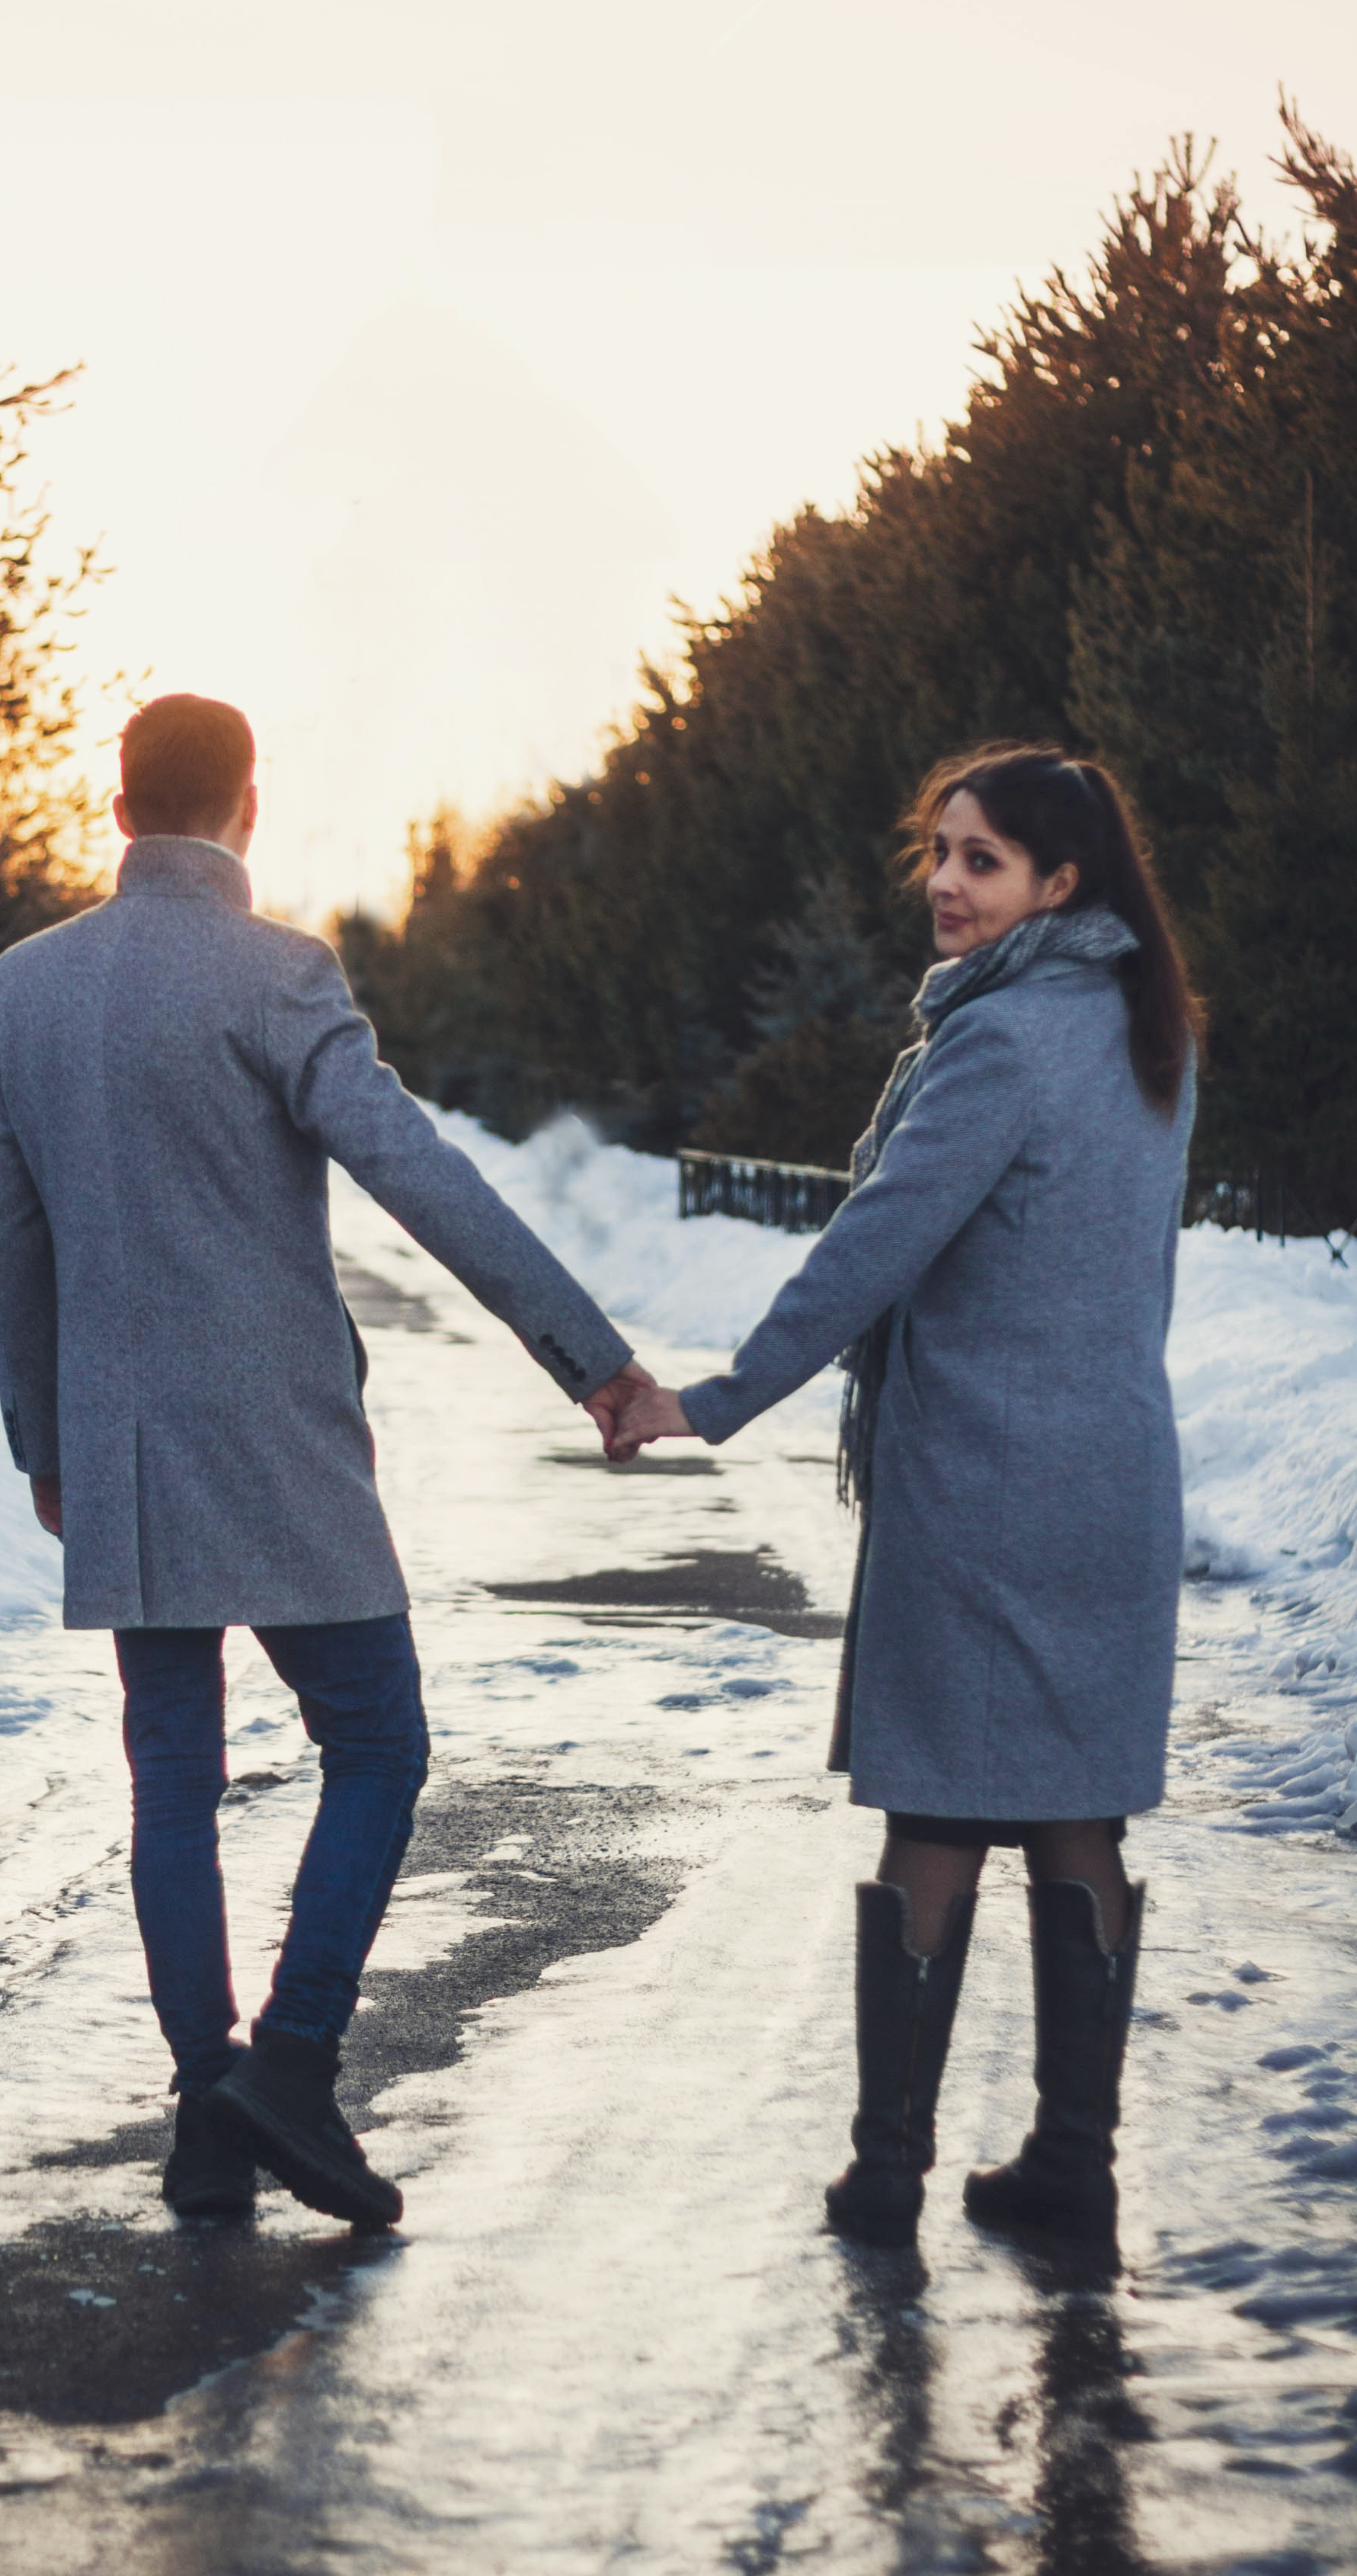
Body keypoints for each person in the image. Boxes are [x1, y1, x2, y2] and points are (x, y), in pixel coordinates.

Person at [0, 694, 645, 2232]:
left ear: (120, 803)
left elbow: (5, 1239)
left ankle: (211, 2110)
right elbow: (421, 1174)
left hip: (127, 1453)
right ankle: (291, 2061)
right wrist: (588, 1356)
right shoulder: (280, 975)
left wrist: (45, 1437)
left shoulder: (27, 987)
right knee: (380, 1745)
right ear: (247, 807)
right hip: (278, 1446)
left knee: (172, 1783)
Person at [609, 745, 1201, 2251]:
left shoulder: (998, 1047)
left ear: (1060, 884)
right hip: (1113, 1476)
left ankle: (889, 2171)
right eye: (939, 851)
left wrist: (714, 1401)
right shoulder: (1146, 1034)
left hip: (988, 1489)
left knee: (936, 1815)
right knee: (1078, 1819)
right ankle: (1075, 2162)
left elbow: (874, 1245)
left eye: (983, 859)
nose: (946, 882)